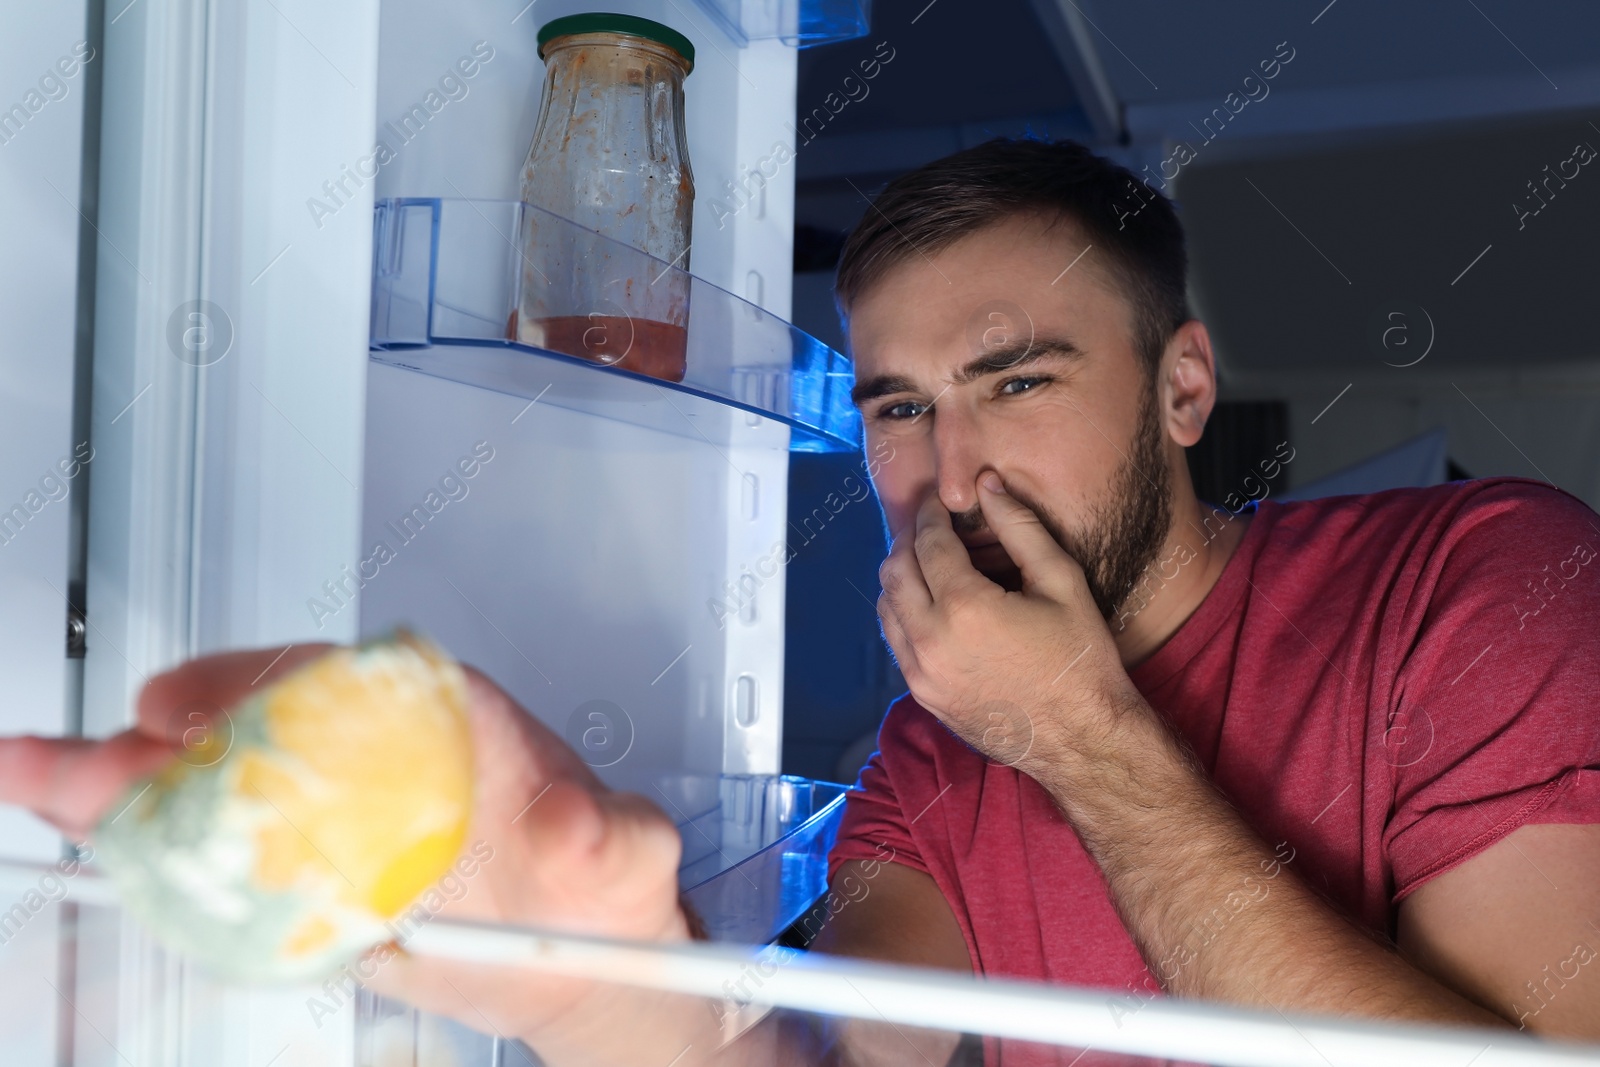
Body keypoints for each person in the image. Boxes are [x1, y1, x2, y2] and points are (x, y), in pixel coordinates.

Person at [3, 137, 1598, 1065]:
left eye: (1017, 378)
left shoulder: (1478, 583)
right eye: (899, 405)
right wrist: (591, 984)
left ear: (1185, 388)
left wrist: (1080, 736)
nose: (948, 469)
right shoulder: (933, 765)